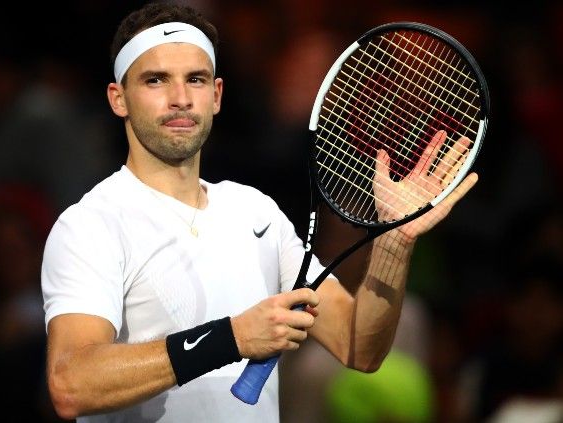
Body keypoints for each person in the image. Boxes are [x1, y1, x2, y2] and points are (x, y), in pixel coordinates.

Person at [41, 3, 478, 422]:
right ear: (119, 99)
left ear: (216, 95)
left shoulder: (255, 212)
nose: (179, 98)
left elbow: (358, 347)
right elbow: (71, 383)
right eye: (156, 80)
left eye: (195, 79)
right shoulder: (90, 225)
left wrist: (392, 245)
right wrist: (230, 338)